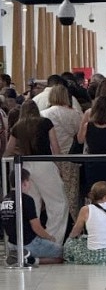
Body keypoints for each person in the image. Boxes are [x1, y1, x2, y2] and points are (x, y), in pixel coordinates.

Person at [5, 99, 69, 245]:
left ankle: (31, 241)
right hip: (45, 164)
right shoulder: (45, 123)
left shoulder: (17, 126)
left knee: (31, 206)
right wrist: (59, 168)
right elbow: (55, 147)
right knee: (58, 204)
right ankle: (52, 240)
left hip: (25, 166)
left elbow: (9, 150)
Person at [1, 168, 63, 265]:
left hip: (12, 244)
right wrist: (49, 237)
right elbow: (36, 226)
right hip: (29, 243)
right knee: (62, 253)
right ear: (25, 182)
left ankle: (20, 257)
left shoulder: (4, 200)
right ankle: (29, 260)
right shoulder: (26, 199)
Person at [64, 181, 106, 265]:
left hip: (92, 256)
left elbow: (76, 231)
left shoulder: (85, 209)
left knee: (70, 243)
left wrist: (70, 239)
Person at [40, 84, 82, 220]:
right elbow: (79, 133)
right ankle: (73, 224)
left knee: (52, 194)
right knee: (71, 195)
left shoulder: (44, 114)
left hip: (51, 159)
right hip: (70, 157)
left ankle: (54, 222)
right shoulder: (73, 114)